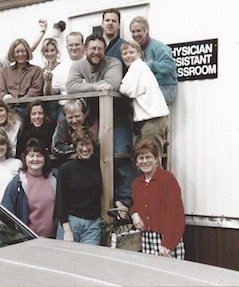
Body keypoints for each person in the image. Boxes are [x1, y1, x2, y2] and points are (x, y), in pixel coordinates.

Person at [101, 9, 134, 215]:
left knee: (121, 156)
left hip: (120, 112)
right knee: (101, 158)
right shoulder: (96, 46)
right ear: (102, 23)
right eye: (107, 20)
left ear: (119, 24)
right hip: (98, 114)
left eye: (114, 21)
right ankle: (107, 201)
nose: (110, 24)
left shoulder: (124, 48)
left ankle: (124, 202)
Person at [130, 139, 185, 259]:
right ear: (136, 163)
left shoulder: (167, 178)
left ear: (156, 159)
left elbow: (175, 214)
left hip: (167, 238)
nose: (145, 161)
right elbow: (137, 204)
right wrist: (134, 213)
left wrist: (167, 244)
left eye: (148, 157)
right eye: (141, 158)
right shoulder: (136, 184)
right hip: (148, 239)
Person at [119, 41, 169, 163]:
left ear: (139, 54)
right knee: (146, 160)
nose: (128, 56)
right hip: (149, 121)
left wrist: (119, 86)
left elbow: (126, 89)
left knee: (151, 161)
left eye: (131, 52)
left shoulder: (137, 66)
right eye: (125, 53)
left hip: (152, 120)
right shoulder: (139, 68)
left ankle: (157, 182)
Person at [56, 126, 102, 245]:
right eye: (81, 144)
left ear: (93, 145)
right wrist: (66, 229)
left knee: (88, 262)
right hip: (71, 222)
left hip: (92, 225)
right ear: (75, 146)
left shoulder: (100, 167)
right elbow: (61, 200)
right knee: (65, 260)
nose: (85, 148)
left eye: (88, 144)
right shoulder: (66, 168)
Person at [2, 138, 57, 238]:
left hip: (53, 238)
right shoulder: (18, 182)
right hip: (28, 239)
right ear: (25, 158)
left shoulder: (54, 178)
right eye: (31, 156)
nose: (35, 159)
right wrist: (17, 233)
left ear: (45, 158)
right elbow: (5, 210)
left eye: (39, 156)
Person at [66, 33, 123, 117]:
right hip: (91, 114)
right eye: (93, 48)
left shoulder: (114, 63)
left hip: (117, 115)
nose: (96, 52)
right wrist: (96, 87)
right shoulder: (77, 65)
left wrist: (83, 86)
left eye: (100, 49)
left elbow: (112, 84)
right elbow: (70, 87)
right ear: (85, 49)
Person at [129, 16, 178, 104]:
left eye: (138, 31)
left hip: (165, 86)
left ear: (146, 30)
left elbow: (171, 65)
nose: (136, 34)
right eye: (133, 31)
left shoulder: (156, 46)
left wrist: (151, 66)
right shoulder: (136, 49)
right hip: (151, 87)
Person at [0, 38, 43, 118]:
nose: (20, 54)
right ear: (13, 54)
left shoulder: (36, 70)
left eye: (23, 51)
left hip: (28, 110)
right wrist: (5, 96)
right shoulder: (5, 71)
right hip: (8, 110)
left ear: (27, 52)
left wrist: (17, 101)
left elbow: (35, 91)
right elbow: (0, 91)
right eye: (17, 52)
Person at [44, 32, 86, 121]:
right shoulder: (59, 69)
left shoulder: (91, 63)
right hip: (65, 111)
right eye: (71, 45)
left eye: (77, 44)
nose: (74, 48)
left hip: (87, 110)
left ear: (83, 46)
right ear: (66, 47)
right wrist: (48, 81)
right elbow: (50, 95)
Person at [40, 37, 61, 120]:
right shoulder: (41, 71)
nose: (49, 54)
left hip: (60, 108)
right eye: (46, 51)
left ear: (57, 51)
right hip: (47, 110)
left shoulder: (62, 67)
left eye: (52, 50)